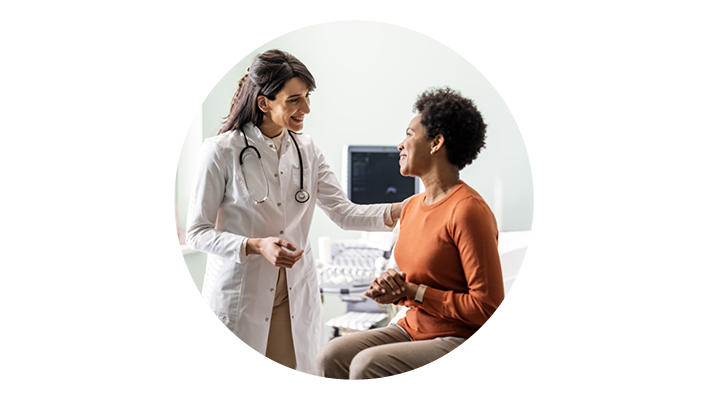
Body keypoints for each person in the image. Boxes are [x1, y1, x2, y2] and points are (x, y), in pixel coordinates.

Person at [186, 49, 406, 375]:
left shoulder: (307, 150)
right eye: (294, 100)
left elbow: (343, 212)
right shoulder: (221, 151)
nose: (306, 108)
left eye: (306, 97)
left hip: (294, 295)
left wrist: (405, 209)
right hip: (242, 296)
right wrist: (255, 245)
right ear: (264, 103)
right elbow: (197, 232)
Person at [316, 87, 505, 380]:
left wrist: (412, 292)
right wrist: (392, 290)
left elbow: (487, 307)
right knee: (331, 355)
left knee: (366, 365)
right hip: (412, 328)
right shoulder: (412, 207)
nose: (400, 144)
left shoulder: (468, 210)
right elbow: (414, 283)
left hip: (458, 337)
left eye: (409, 134)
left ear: (436, 143)